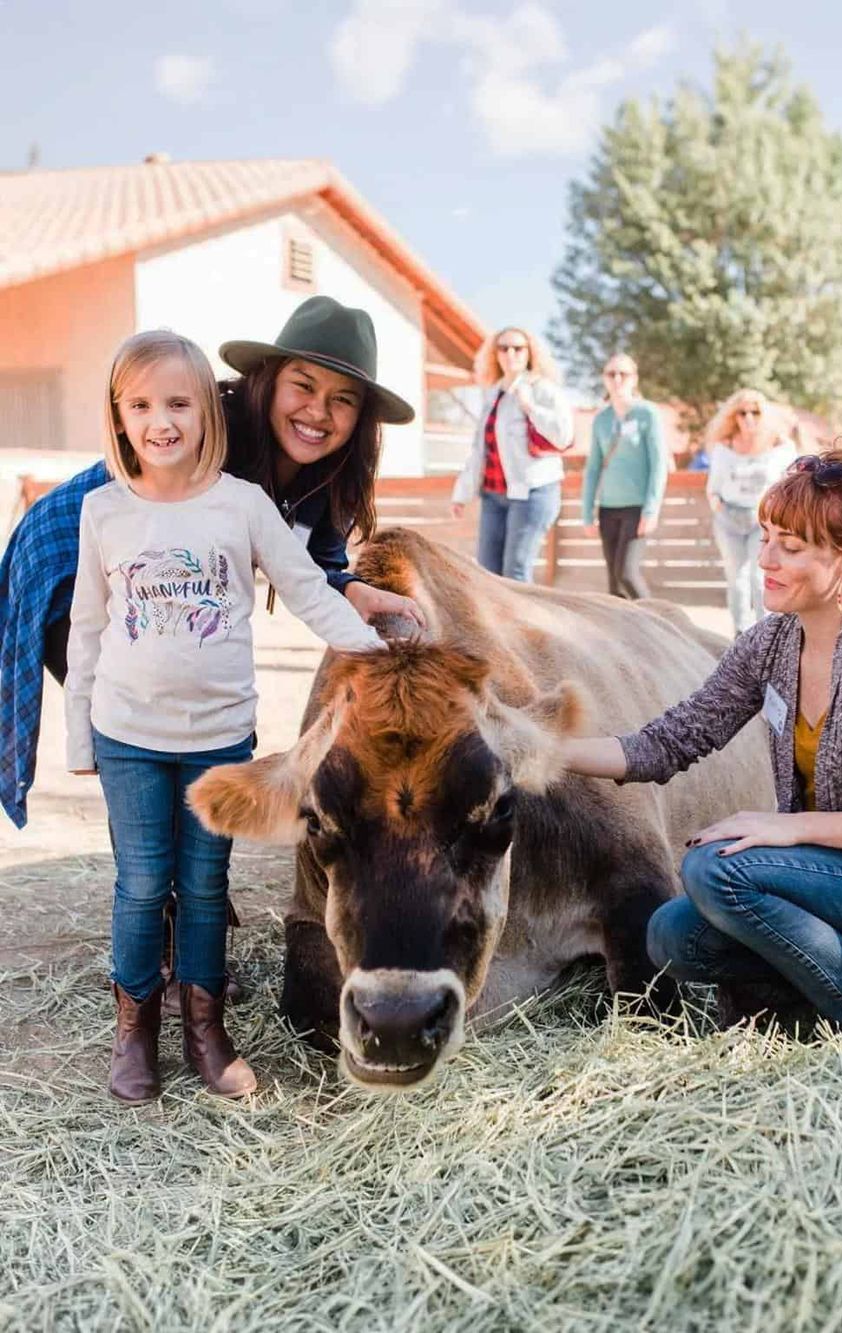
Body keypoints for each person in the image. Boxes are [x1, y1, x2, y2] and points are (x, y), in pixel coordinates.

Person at [562, 418, 842, 1045]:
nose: (765, 559)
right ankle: (819, 1002)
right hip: (827, 879)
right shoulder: (771, 642)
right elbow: (669, 742)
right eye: (766, 538)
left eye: (791, 547)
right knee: (670, 934)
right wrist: (542, 749)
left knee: (716, 870)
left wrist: (789, 826)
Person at [65, 331, 389, 1104]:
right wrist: (79, 732)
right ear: (118, 415)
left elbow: (310, 591)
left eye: (178, 403)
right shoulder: (103, 510)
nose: (160, 421)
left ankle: (206, 1031)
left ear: (210, 411)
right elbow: (85, 628)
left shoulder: (241, 506)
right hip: (128, 737)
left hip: (218, 737)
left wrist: (382, 656)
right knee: (143, 884)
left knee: (207, 887)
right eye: (140, 405)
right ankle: (136, 1026)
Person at [0, 294, 423, 831]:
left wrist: (352, 588)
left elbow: (312, 561)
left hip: (155, 571)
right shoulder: (215, 431)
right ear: (268, 379)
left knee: (172, 709)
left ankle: (185, 873)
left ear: (361, 417)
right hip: (72, 547)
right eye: (303, 385)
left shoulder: (322, 473)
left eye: (343, 399)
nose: (318, 411)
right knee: (137, 715)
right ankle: (154, 881)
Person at [450, 326, 574, 582]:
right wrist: (461, 494)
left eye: (518, 348)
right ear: (495, 354)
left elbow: (564, 435)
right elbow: (480, 450)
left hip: (533, 493)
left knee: (515, 571)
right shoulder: (493, 393)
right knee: (487, 572)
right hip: (494, 495)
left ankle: (525, 624)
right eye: (503, 348)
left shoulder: (542, 389)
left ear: (530, 353)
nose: (511, 353)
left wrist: (531, 407)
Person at [705, 389, 797, 634]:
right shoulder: (724, 448)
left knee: (760, 577)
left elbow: (793, 480)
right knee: (737, 578)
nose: (748, 418)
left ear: (763, 414)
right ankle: (741, 635)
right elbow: (713, 486)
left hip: (763, 521)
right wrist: (716, 502)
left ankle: (766, 633)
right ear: (733, 417)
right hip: (729, 518)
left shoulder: (780, 447)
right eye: (742, 412)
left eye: (754, 412)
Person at [581, 354, 669, 600]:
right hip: (608, 509)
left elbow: (658, 464)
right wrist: (587, 512)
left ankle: (661, 624)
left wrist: (651, 510)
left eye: (623, 374)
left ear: (634, 379)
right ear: (604, 379)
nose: (617, 379)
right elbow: (593, 468)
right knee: (613, 584)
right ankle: (622, 638)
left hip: (637, 508)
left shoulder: (647, 414)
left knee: (626, 573)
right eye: (611, 374)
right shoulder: (601, 419)